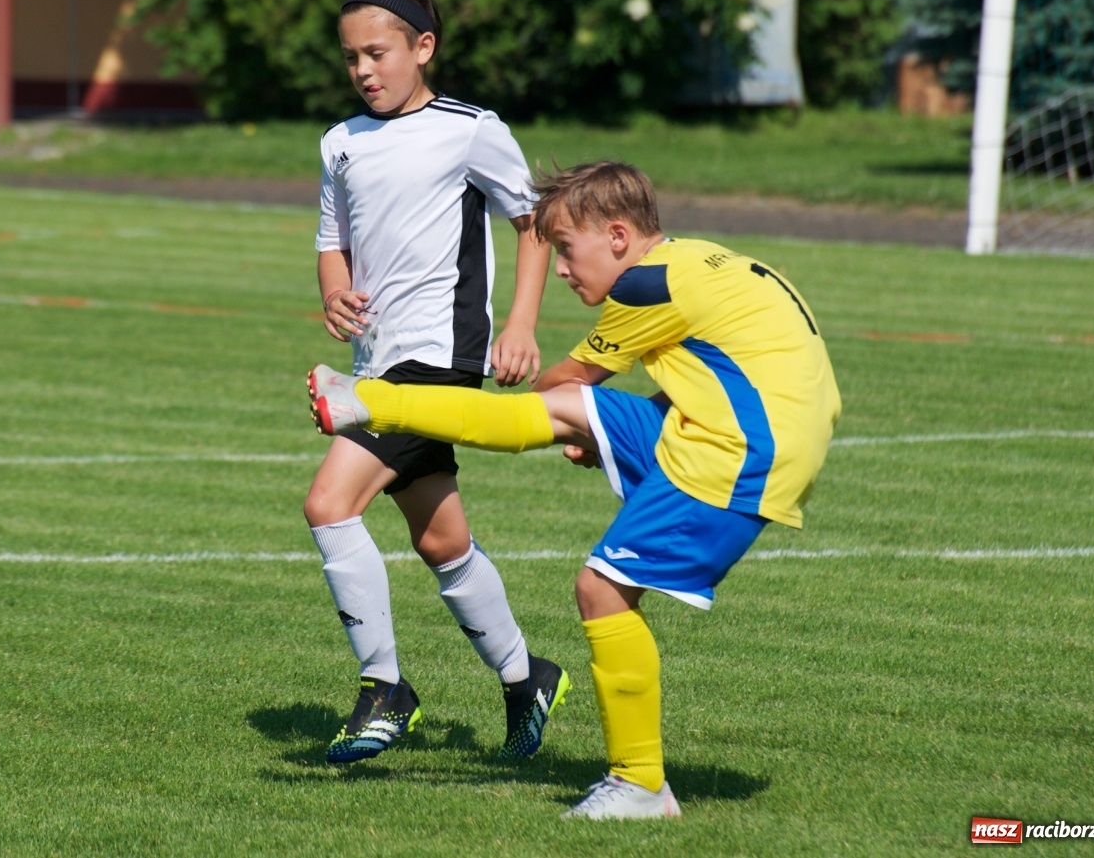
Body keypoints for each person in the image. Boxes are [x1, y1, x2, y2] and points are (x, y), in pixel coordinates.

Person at [308, 160, 841, 816]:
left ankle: (640, 784)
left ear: (618, 235)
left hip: (742, 451)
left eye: (566, 247)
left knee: (601, 587)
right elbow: (717, 370)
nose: (560, 268)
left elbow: (560, 381)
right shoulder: (695, 261)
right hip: (748, 425)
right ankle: (370, 403)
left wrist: (547, 394)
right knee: (570, 415)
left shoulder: (647, 285)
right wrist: (598, 428)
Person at [308, 0, 569, 764]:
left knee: (329, 503)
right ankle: (527, 676)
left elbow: (532, 221)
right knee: (440, 539)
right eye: (352, 57)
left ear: (423, 46)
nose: (363, 71)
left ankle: (384, 686)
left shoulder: (471, 128)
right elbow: (331, 242)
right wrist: (335, 290)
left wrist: (520, 323)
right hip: (378, 359)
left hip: (438, 360)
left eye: (377, 54)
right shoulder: (340, 144)